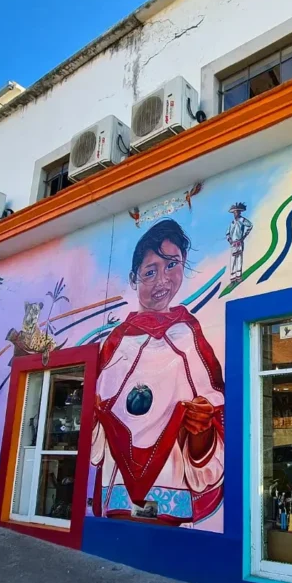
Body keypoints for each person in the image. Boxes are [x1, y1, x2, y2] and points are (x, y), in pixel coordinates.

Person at [88, 219, 225, 529]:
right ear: (133, 278)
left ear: (183, 264)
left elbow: (214, 404)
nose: (162, 280)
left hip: (170, 476)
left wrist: (201, 427)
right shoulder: (116, 341)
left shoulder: (189, 334)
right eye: (150, 272)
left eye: (172, 265)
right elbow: (97, 411)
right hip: (118, 478)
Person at [225, 202, 253, 284]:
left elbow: (250, 225)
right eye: (234, 212)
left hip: (239, 242)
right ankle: (232, 279)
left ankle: (239, 277)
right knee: (233, 260)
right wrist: (229, 240)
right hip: (233, 244)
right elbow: (227, 233)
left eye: (236, 212)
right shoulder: (232, 222)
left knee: (239, 259)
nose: (235, 214)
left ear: (239, 212)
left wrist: (244, 236)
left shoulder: (242, 220)